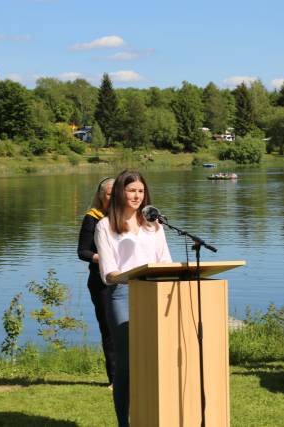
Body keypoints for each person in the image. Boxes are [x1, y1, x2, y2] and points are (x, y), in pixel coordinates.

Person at [95, 170, 172, 427]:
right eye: (131, 190)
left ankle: (154, 417)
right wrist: (134, 275)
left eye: (140, 191)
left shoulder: (155, 225)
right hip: (123, 296)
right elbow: (109, 273)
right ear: (119, 192)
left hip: (155, 295)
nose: (136, 196)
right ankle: (123, 423)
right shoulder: (104, 226)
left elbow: (165, 263)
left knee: (155, 360)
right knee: (126, 366)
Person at [77, 177, 116, 387]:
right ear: (101, 196)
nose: (112, 197)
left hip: (126, 280)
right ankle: (114, 379)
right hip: (101, 281)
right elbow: (82, 252)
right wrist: (104, 257)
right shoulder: (92, 218)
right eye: (109, 193)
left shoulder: (128, 218)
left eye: (115, 192)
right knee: (109, 330)